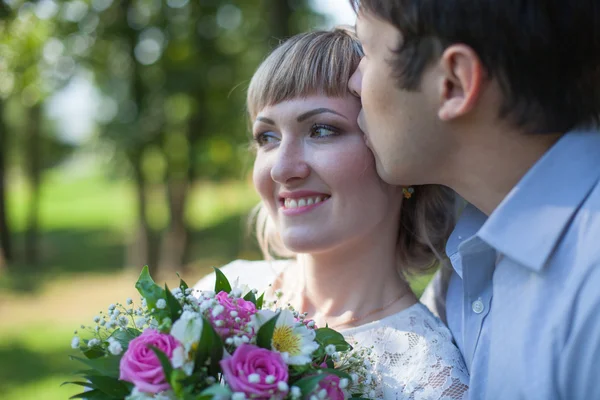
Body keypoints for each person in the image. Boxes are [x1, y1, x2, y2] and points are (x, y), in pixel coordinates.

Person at [194, 27, 469, 399]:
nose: (282, 169)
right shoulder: (218, 297)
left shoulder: (426, 378)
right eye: (267, 137)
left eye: (322, 130)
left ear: (398, 155)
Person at [347, 1, 600, 399]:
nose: (353, 82)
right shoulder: (468, 254)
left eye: (365, 51)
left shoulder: (590, 291)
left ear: (453, 83)